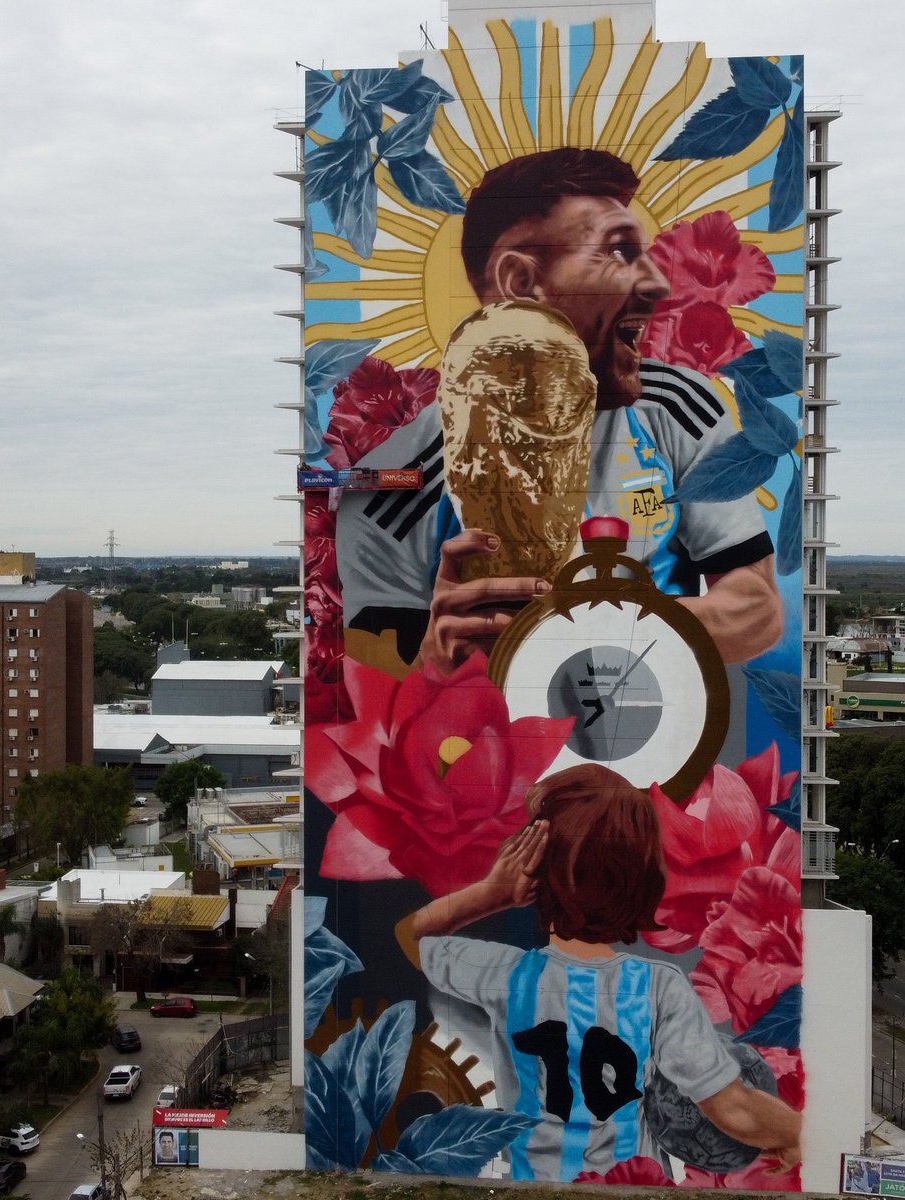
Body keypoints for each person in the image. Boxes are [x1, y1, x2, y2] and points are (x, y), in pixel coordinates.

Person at [336, 147, 783, 671]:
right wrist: (435, 664)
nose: (658, 284)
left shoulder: (678, 406)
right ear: (522, 283)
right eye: (619, 252)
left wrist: (586, 627)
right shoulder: (393, 487)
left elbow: (757, 607)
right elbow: (372, 695)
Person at [395, 764, 801, 1182]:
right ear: (643, 879)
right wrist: (795, 1131)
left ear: (540, 876)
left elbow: (412, 935)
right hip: (631, 1187)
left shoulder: (505, 974)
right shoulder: (659, 987)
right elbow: (733, 1109)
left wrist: (492, 894)